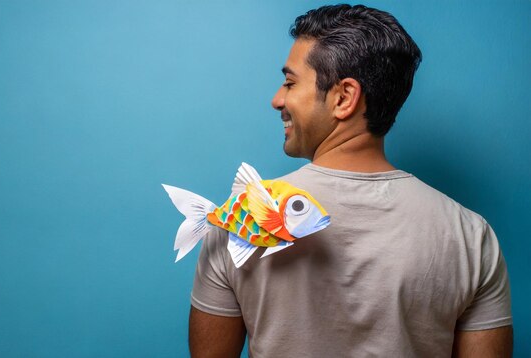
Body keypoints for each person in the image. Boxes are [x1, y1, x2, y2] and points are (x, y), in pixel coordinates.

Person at [188, 4, 512, 357]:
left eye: (290, 83)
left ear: (344, 98)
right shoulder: (471, 236)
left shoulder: (240, 220)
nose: (277, 99)